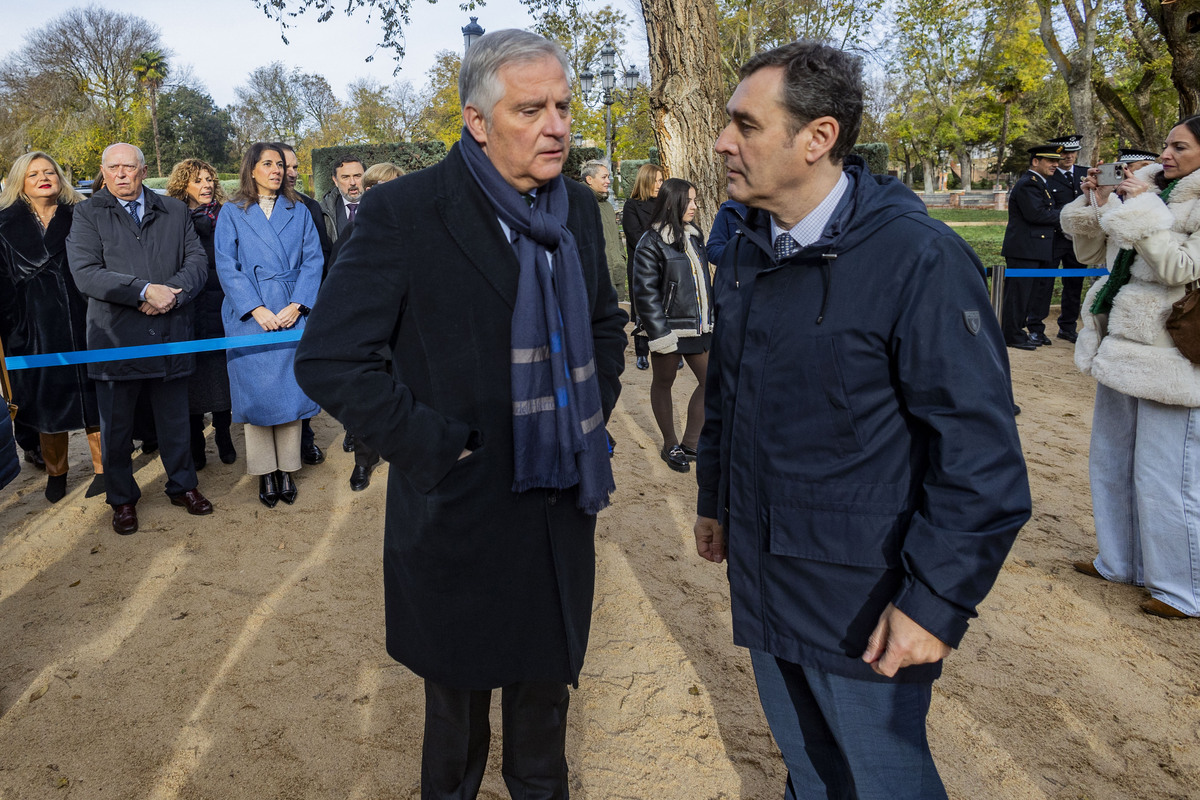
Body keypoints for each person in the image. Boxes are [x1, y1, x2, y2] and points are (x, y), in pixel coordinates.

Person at [294, 29, 626, 799]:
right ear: (478, 121)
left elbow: (606, 324)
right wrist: (440, 447)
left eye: (565, 107)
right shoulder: (403, 212)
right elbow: (330, 359)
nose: (556, 126)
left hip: (559, 504)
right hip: (461, 509)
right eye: (531, 109)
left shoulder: (575, 205)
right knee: (456, 732)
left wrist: (586, 409)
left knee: (544, 728)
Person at [696, 41, 1031, 798]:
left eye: (745, 124)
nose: (723, 141)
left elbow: (982, 464)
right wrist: (714, 501)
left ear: (817, 138)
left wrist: (932, 604)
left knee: (882, 784)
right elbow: (731, 392)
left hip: (865, 600)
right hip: (766, 570)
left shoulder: (921, 260)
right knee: (811, 776)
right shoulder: (748, 247)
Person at [1060, 115, 1200, 620]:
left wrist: (1138, 206)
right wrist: (1101, 203)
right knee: (1112, 462)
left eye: (1178, 146)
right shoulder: (1155, 195)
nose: (1166, 153)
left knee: (1169, 476)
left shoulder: (1175, 202)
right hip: (1123, 347)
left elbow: (1179, 268)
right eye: (1165, 144)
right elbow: (1095, 253)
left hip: (1175, 356)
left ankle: (1182, 590)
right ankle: (1119, 562)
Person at [67, 143, 213, 535]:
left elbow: (197, 262)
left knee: (176, 421)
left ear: (143, 170)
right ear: (103, 171)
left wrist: (172, 294)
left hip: (170, 332)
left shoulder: (176, 210)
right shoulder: (86, 213)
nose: (121, 174)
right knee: (116, 428)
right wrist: (144, 291)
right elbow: (86, 273)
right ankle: (122, 500)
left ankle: (183, 486)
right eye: (113, 168)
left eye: (128, 167)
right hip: (116, 337)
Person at [214, 143, 322, 509]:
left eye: (280, 164)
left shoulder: (301, 210)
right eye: (267, 164)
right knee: (258, 396)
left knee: (289, 393)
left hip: (292, 310)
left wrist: (298, 304)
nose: (276, 170)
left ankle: (287, 469)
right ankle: (265, 472)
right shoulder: (232, 212)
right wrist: (255, 308)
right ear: (252, 169)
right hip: (250, 315)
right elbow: (226, 265)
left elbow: (313, 260)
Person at [0, 151, 102, 502]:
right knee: (48, 404)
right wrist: (13, 328)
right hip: (33, 329)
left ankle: (103, 470)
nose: (44, 178)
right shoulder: (3, 224)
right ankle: (56, 473)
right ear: (21, 183)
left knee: (95, 398)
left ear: (60, 177)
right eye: (34, 174)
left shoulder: (84, 215)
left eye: (49, 172)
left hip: (86, 318)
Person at [327, 160, 405, 493]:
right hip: (370, 335)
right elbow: (335, 282)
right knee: (367, 401)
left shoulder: (417, 228)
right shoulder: (354, 231)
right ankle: (364, 462)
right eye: (377, 187)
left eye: (393, 186)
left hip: (408, 333)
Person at [631, 177, 713, 473]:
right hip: (667, 329)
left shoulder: (694, 235)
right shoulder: (650, 241)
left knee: (712, 380)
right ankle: (670, 444)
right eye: (689, 200)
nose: (694, 206)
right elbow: (645, 293)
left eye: (694, 200)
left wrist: (709, 318)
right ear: (673, 202)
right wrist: (659, 333)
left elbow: (702, 283)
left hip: (696, 325)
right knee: (664, 383)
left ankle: (692, 442)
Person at [165, 158, 236, 470]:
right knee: (190, 377)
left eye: (209, 179)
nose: (206, 185)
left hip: (223, 303)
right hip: (188, 307)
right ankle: (195, 440)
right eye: (198, 180)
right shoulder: (172, 217)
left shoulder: (227, 213)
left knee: (222, 372)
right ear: (184, 186)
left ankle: (223, 434)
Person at [276, 142, 329, 467]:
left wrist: (305, 303)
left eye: (296, 167)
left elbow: (319, 258)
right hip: (265, 310)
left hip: (303, 307)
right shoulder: (246, 209)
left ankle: (305, 439)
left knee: (301, 375)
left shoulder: (309, 207)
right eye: (287, 167)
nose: (292, 173)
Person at [1000, 143, 1065, 350]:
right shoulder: (1029, 183)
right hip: (1024, 249)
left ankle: (1018, 331)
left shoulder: (1039, 182)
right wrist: (1066, 214)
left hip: (1034, 248)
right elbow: (1036, 214)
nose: (1055, 164)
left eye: (1056, 161)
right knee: (1018, 296)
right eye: (1050, 161)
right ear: (1036, 162)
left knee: (1027, 295)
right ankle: (1011, 334)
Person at [1045, 134, 1090, 343]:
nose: (1069, 156)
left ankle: (1068, 327)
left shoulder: (1085, 173)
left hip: (1079, 239)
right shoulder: (1048, 174)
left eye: (1073, 152)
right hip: (1055, 237)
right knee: (1044, 283)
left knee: (1074, 284)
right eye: (1064, 152)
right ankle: (1037, 326)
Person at [621, 162, 664, 370]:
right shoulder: (631, 205)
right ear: (645, 181)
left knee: (666, 305)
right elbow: (635, 236)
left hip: (665, 264)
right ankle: (641, 351)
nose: (659, 184)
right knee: (642, 308)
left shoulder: (665, 205)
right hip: (643, 264)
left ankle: (671, 347)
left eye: (661, 180)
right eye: (656, 180)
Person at [581, 160, 627, 301]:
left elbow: (616, 236)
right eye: (604, 177)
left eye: (608, 177)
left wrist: (621, 258)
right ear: (589, 179)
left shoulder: (607, 205)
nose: (608, 181)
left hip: (616, 271)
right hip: (596, 275)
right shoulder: (580, 203)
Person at [319, 155, 365, 243]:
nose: (352, 183)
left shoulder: (381, 207)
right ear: (335, 181)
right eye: (346, 177)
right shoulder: (323, 211)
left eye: (357, 176)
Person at [706, 198, 748, 264]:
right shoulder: (729, 208)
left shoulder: (768, 211)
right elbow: (712, 250)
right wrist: (739, 255)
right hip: (740, 272)